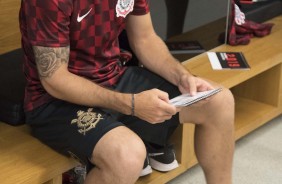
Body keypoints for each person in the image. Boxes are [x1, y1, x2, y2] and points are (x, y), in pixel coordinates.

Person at [19, 0, 235, 184]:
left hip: (114, 77)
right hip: (54, 102)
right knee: (127, 155)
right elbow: (54, 80)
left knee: (219, 101)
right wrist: (131, 104)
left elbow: (145, 38)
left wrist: (182, 76)